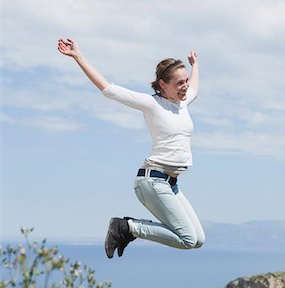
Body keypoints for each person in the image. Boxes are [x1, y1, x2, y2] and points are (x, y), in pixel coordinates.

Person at [57, 38, 205, 259]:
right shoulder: (152, 104)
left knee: (198, 241)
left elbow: (194, 87)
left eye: (185, 82)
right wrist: (78, 56)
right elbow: (109, 89)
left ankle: (129, 228)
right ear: (163, 85)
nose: (185, 87)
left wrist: (195, 66)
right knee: (187, 239)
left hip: (171, 184)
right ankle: (128, 228)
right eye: (179, 83)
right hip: (152, 181)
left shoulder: (182, 102)